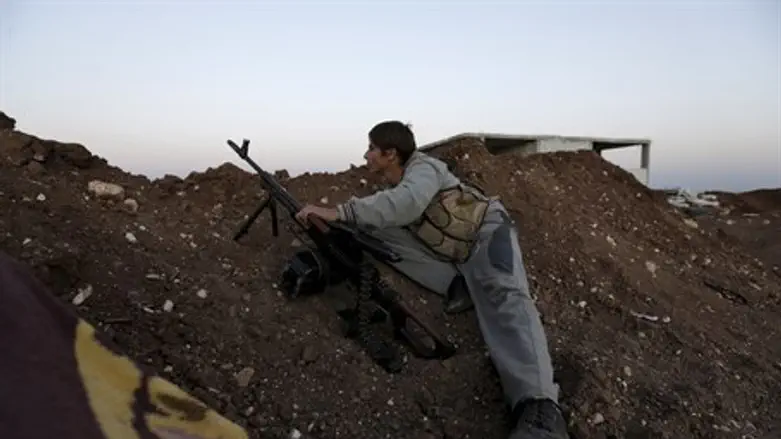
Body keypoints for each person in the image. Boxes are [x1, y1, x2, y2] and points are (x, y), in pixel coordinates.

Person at [295, 120, 569, 439]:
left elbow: (406, 203)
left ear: (390, 154)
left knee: (506, 297)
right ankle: (459, 286)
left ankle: (540, 409)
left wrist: (341, 211)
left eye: (371, 148)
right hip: (453, 253)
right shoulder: (394, 187)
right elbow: (389, 211)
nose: (366, 155)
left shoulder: (425, 168)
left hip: (486, 235)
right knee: (372, 229)